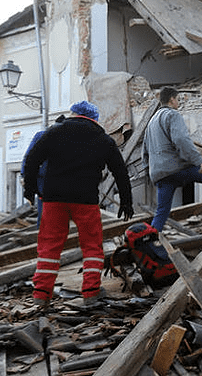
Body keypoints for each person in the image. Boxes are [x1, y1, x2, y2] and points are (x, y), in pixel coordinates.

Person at [22, 100, 134, 308]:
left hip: (54, 199)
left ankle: (41, 295)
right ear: (94, 119)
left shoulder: (54, 132)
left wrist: (31, 190)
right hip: (86, 201)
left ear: (73, 114)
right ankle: (91, 292)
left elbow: (32, 160)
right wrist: (126, 201)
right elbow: (120, 171)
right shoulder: (103, 139)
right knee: (92, 247)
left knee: (49, 247)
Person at [142, 87, 202, 231]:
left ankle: (151, 238)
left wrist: (150, 172)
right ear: (172, 99)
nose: (178, 103)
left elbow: (145, 152)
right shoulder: (172, 115)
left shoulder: (151, 122)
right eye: (178, 99)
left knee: (161, 212)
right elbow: (181, 139)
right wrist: (198, 160)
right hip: (176, 169)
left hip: (160, 175)